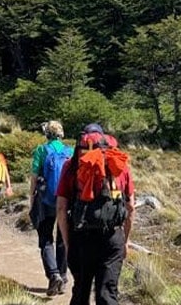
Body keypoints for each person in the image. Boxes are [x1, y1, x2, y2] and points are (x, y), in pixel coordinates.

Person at [56, 124, 135, 305]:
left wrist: (67, 244)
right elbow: (130, 206)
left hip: (81, 237)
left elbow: (61, 208)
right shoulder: (119, 164)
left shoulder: (71, 165)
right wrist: (125, 241)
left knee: (81, 291)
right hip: (113, 237)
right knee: (107, 293)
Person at [30, 120, 71, 296]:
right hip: (65, 201)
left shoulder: (41, 150)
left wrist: (31, 198)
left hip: (46, 200)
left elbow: (34, 177)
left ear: (47, 133)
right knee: (62, 239)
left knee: (45, 238)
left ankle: (54, 275)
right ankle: (63, 275)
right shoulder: (69, 151)